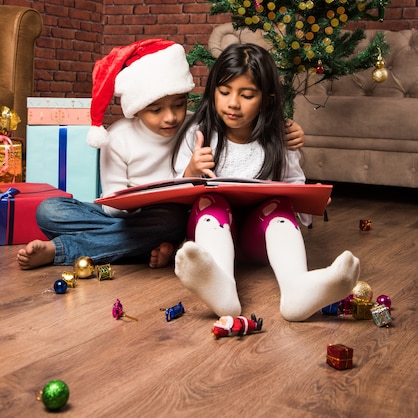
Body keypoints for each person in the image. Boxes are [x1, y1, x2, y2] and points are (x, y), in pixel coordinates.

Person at [16, 38, 306, 271]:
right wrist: (134, 204)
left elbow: (206, 173)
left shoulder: (196, 126)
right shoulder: (118, 137)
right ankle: (141, 246)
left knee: (168, 220)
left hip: (172, 216)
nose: (170, 118)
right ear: (138, 107)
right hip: (128, 216)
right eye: (156, 110)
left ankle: (67, 249)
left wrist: (288, 130)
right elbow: (112, 206)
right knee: (50, 210)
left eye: (179, 105)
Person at [172, 43, 360, 322]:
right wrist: (191, 169)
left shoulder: (279, 140)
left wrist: (310, 199)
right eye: (224, 92)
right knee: (210, 201)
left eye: (246, 95)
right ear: (212, 92)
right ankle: (221, 286)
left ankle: (297, 288)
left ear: (267, 99)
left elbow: (296, 189)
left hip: (256, 243)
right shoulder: (199, 132)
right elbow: (173, 194)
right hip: (210, 238)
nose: (233, 103)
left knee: (280, 205)